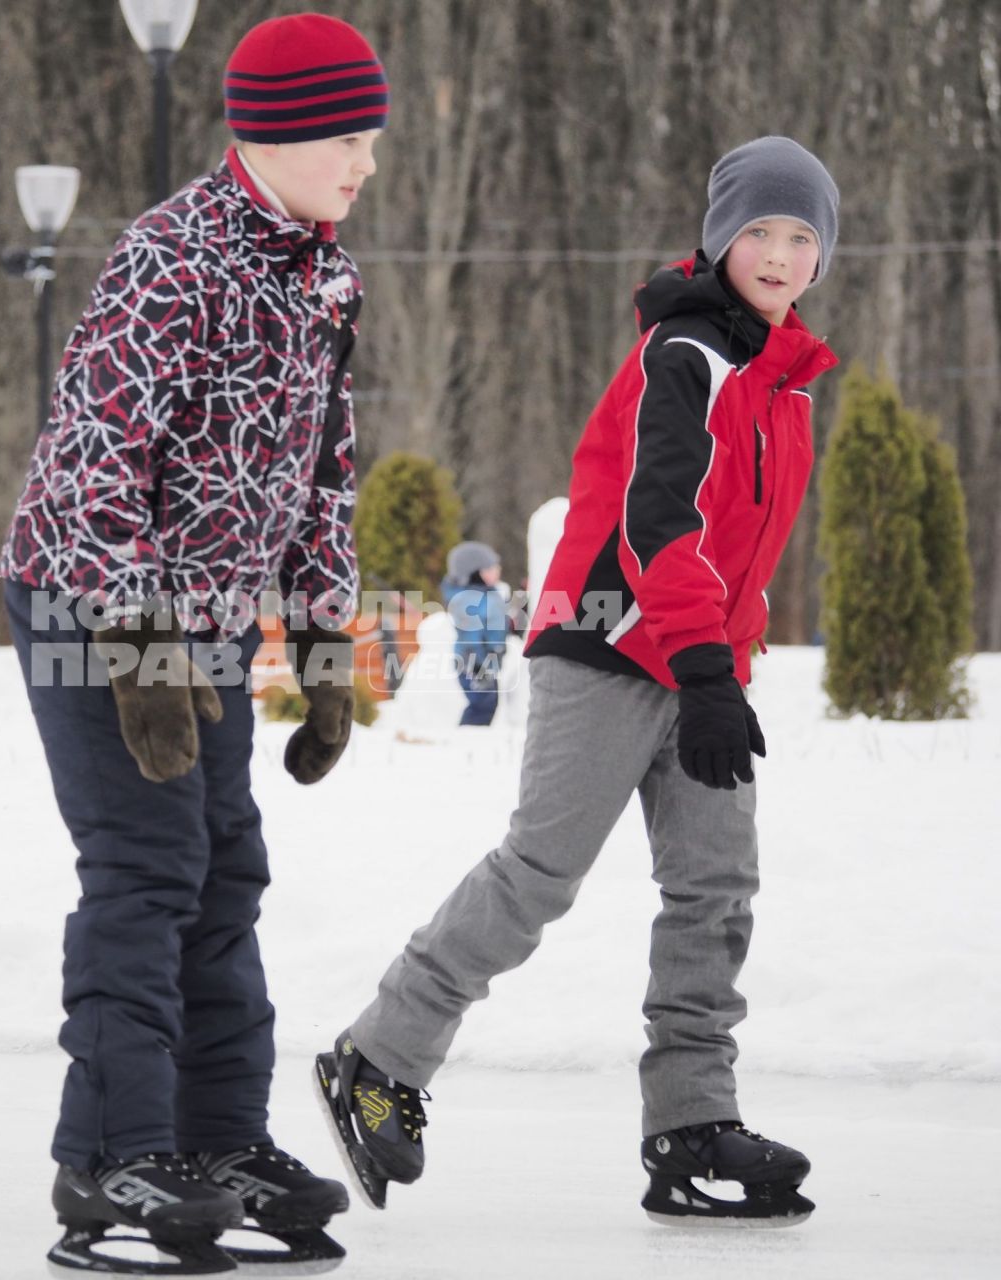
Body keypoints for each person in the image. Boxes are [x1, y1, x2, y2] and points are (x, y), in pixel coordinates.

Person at [315, 136, 840, 1227]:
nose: (781, 254)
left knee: (715, 890)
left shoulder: (781, 380)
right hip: (608, 644)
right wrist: (704, 664)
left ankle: (691, 1124)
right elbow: (660, 523)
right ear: (719, 238)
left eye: (803, 236)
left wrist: (727, 659)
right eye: (761, 232)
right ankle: (378, 1055)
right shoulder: (686, 352)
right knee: (542, 869)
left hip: (702, 664)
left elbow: (739, 544)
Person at [0, 13, 387, 1274]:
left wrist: (326, 637)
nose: (365, 161)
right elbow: (94, 463)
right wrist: (137, 641)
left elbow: (322, 479)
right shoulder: (170, 257)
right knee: (148, 867)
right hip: (91, 601)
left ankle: (216, 1141)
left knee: (225, 873)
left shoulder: (328, 274)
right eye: (347, 136)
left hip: (207, 619)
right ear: (272, 133)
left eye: (370, 136)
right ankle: (108, 1155)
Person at [441, 541, 509, 726]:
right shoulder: (468, 599)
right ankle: (468, 739)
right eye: (490, 568)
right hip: (473, 662)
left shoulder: (490, 595)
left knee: (489, 703)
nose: (497, 571)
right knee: (481, 705)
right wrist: (477, 664)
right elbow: (469, 633)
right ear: (474, 573)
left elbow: (497, 625)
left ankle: (475, 739)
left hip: (487, 661)